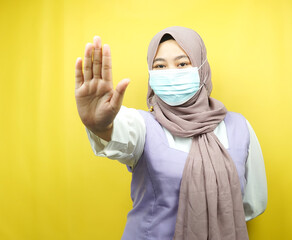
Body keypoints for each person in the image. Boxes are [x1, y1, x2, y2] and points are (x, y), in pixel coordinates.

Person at [75, 26, 267, 240]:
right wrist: (99, 126)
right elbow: (116, 134)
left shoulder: (240, 127)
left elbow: (251, 205)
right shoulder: (142, 125)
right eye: (160, 66)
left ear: (202, 67)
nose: (171, 73)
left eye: (182, 63)